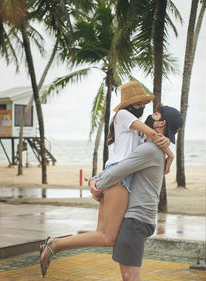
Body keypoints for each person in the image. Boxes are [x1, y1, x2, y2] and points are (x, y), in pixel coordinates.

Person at [39, 81, 171, 278]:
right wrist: (171, 156)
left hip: (114, 174)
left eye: (144, 103)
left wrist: (166, 143)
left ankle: (54, 244)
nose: (142, 107)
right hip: (118, 176)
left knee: (102, 235)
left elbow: (152, 140)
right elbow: (153, 135)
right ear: (128, 104)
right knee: (108, 237)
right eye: (138, 104)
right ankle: (55, 245)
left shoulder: (139, 128)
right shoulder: (123, 115)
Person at [90, 105, 183, 281]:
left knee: (129, 276)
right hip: (140, 219)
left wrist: (96, 186)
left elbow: (116, 172)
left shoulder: (149, 150)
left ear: (161, 123)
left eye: (155, 114)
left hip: (136, 219)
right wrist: (170, 155)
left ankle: (53, 246)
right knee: (129, 276)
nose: (150, 115)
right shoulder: (153, 149)